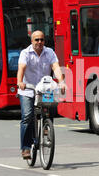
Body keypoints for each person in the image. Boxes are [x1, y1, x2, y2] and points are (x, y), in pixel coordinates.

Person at [17, 30, 66, 159]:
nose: (39, 42)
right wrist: (20, 82)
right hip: (28, 89)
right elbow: (21, 68)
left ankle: (46, 127)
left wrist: (61, 82)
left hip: (44, 89)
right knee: (27, 116)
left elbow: (55, 67)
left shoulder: (49, 52)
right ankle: (26, 148)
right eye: (36, 40)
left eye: (42, 40)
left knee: (49, 108)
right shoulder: (25, 53)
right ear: (31, 41)